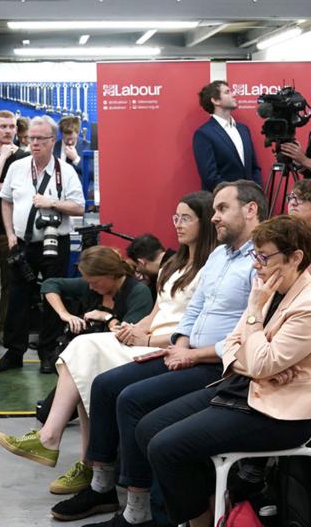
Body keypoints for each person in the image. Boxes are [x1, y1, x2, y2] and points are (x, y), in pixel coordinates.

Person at [49, 180, 264, 527]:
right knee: (107, 385)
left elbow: (250, 333)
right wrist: (180, 344)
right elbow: (194, 312)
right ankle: (105, 488)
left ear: (250, 209)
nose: (215, 218)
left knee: (132, 400)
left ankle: (139, 512)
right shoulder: (220, 256)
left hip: (218, 366)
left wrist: (191, 354)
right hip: (186, 352)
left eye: (222, 209)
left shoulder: (259, 262)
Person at [0, 191, 216, 497]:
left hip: (170, 345)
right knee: (84, 352)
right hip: (147, 339)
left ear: (205, 222)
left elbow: (197, 328)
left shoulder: (210, 269)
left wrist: (146, 337)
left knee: (85, 354)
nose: (177, 224)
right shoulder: (173, 264)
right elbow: (156, 312)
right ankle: (61, 445)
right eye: (175, 217)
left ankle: (62, 447)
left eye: (186, 218)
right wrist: (132, 329)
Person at [138, 214, 311, 527]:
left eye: (263, 256)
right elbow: (231, 345)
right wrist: (261, 364)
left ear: (295, 257)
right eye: (254, 255)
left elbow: (258, 358)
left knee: (166, 447)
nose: (256, 264)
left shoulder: (305, 302)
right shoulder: (269, 287)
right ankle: (208, 510)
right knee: (149, 426)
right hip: (247, 387)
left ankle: (199, 521)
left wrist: (256, 322)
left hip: (280, 413)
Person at [0, 115, 86, 373]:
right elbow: (6, 201)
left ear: (52, 140)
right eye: (32, 138)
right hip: (22, 244)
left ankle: (48, 351)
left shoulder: (64, 172)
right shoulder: (17, 167)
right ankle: (14, 353)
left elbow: (79, 207)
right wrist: (10, 234)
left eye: (40, 139)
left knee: (52, 295)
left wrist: (52, 203)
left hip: (55, 242)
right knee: (17, 297)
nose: (34, 143)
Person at [0, 110, 29, 341]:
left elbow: (23, 190)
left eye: (11, 127)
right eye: (3, 127)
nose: (8, 131)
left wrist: (3, 186)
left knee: (11, 287)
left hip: (14, 233)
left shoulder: (23, 157)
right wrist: (2, 158)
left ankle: (5, 332)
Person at [193, 80, 262, 192]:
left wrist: (257, 192)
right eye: (227, 92)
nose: (234, 94)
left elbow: (254, 167)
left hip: (250, 200)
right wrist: (234, 195)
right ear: (215, 100)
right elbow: (210, 176)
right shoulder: (203, 134)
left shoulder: (243, 129)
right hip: (223, 202)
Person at [125, 233, 175, 300]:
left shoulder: (169, 276)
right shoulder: (182, 260)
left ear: (141, 262)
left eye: (137, 266)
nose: (138, 269)